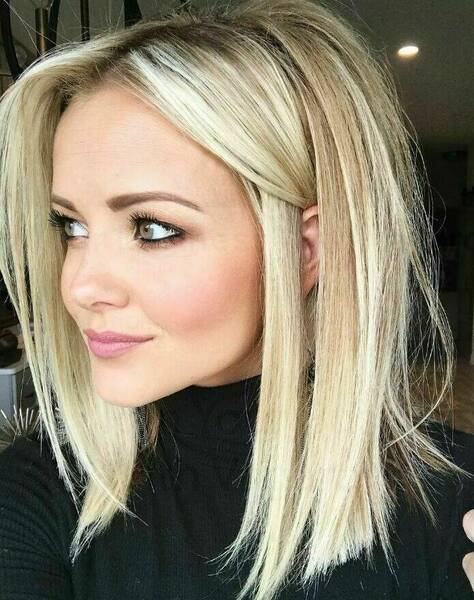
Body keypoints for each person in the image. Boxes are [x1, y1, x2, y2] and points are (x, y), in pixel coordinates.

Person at [0, 0, 473, 598]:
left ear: (305, 252)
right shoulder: (36, 495)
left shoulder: (455, 508)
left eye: (153, 228)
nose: (79, 286)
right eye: (71, 226)